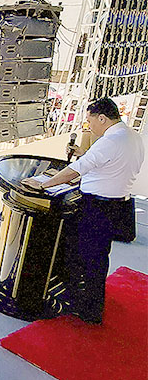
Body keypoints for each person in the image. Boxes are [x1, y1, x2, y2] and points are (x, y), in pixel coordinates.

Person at [22, 98, 144, 324]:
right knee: (99, 257)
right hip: (117, 205)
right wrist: (82, 152)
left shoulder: (110, 140)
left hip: (97, 207)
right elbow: (108, 164)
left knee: (87, 257)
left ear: (102, 118)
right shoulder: (132, 136)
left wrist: (44, 184)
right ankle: (91, 302)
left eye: (90, 121)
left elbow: (78, 169)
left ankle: (87, 308)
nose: (89, 126)